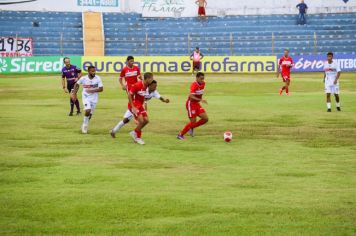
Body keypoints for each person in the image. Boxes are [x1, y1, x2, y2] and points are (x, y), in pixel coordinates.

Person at [71, 66, 104, 134]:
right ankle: (85, 126)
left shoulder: (98, 78)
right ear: (88, 71)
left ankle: (84, 123)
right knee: (88, 110)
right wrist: (74, 94)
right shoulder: (84, 78)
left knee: (90, 115)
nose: (94, 72)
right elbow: (77, 84)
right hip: (86, 97)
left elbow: (101, 89)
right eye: (92, 71)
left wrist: (92, 90)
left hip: (94, 98)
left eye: (94, 71)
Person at [177, 72, 208, 140]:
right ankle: (180, 135)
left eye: (203, 79)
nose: (202, 80)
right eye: (201, 79)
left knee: (205, 119)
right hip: (190, 104)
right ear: (196, 78)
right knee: (193, 122)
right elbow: (191, 96)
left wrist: (200, 100)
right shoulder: (194, 85)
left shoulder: (203, 84)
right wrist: (201, 100)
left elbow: (199, 93)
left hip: (196, 104)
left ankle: (191, 127)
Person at [127, 72, 155, 145]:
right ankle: (138, 138)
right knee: (141, 121)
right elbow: (129, 95)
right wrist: (133, 107)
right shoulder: (137, 85)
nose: (153, 80)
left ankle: (135, 132)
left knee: (146, 120)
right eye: (152, 78)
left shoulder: (148, 85)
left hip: (140, 105)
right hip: (134, 105)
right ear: (148, 79)